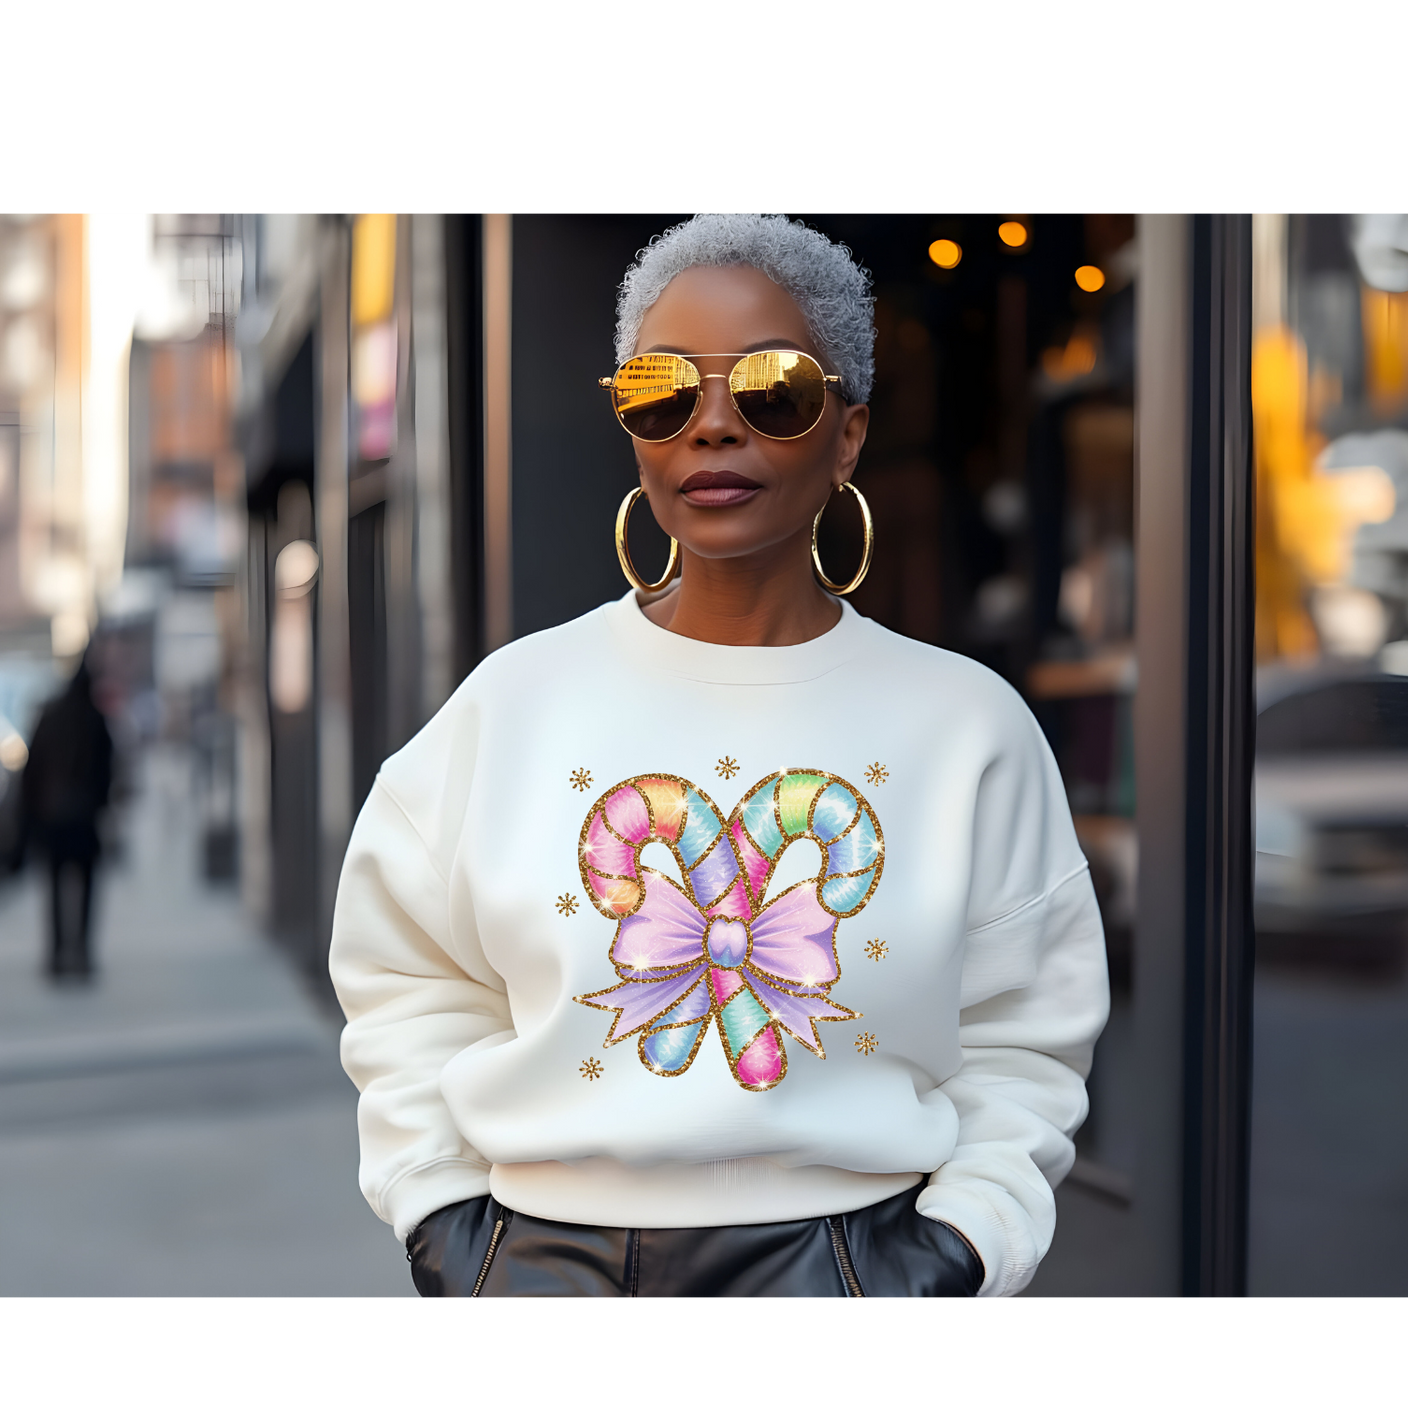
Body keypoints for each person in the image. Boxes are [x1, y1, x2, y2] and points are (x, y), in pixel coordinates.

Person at [330, 210, 1109, 1301]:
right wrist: (446, 1225)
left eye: (772, 388)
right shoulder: (509, 705)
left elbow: (1026, 1038)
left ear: (846, 432)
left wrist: (953, 1250)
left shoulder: (963, 726)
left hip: (849, 1261)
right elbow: (405, 975)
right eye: (662, 389)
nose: (711, 427)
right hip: (541, 1260)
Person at [22, 651, 113, 978]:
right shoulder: (95, 719)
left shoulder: (51, 715)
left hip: (54, 819)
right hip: (83, 820)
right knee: (86, 888)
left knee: (55, 889)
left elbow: (31, 773)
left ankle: (58, 953)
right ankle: (82, 951)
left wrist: (31, 816)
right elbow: (106, 774)